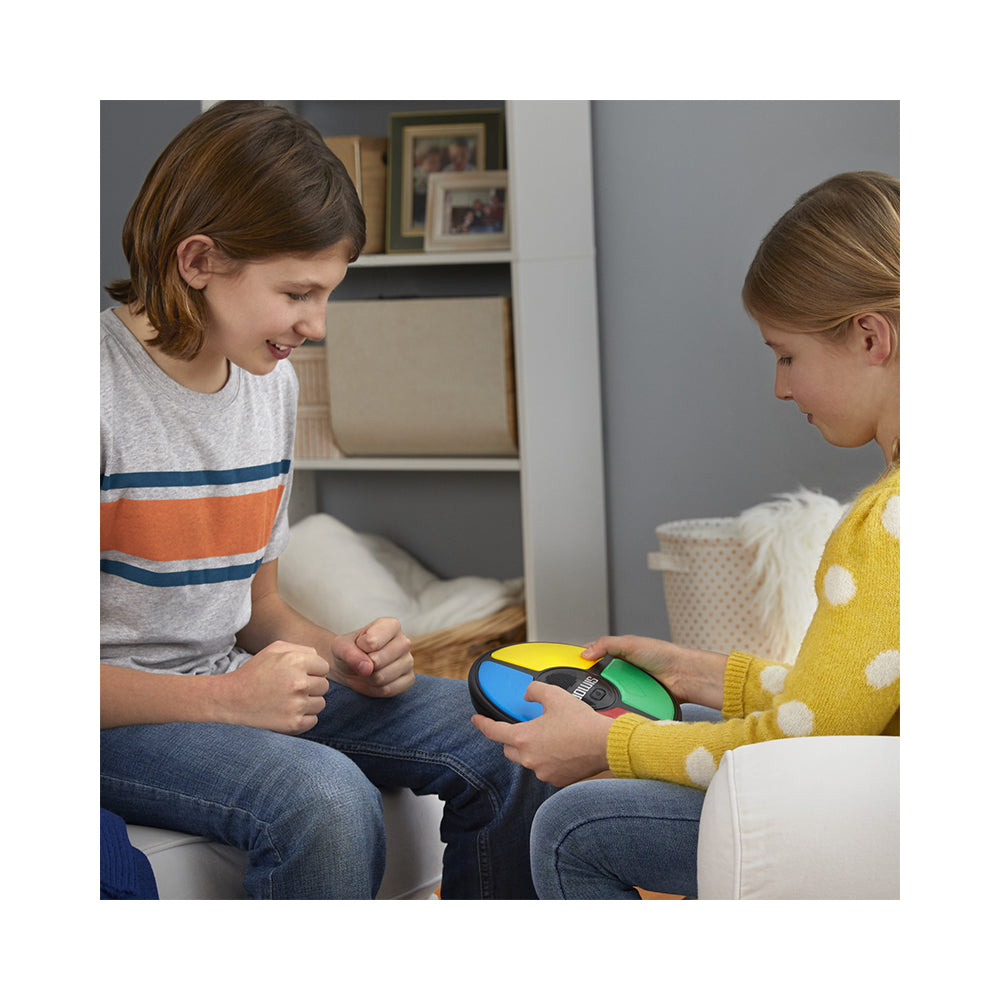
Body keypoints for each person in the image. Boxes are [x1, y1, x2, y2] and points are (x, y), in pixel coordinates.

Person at [100, 101, 551, 899]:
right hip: (116, 719)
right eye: (297, 293)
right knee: (325, 799)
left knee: (508, 737)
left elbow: (257, 609)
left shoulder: (269, 386)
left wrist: (343, 655)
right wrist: (226, 701)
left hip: (224, 681)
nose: (316, 325)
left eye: (327, 294)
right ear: (199, 259)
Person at [472, 170, 900, 899]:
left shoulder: (886, 524)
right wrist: (703, 674)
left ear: (869, 335)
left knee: (572, 826)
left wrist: (614, 743)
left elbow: (803, 744)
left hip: (879, 819)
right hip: (887, 785)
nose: (781, 387)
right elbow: (850, 700)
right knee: (688, 714)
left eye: (786, 355)